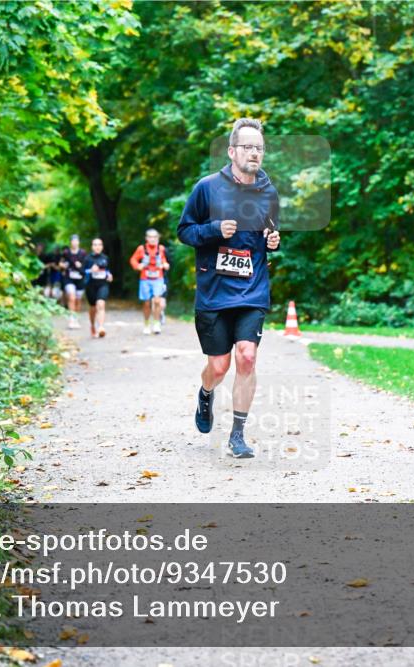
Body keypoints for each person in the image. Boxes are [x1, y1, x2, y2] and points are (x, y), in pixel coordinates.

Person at [177, 118, 281, 459]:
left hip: (252, 289)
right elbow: (185, 232)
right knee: (219, 366)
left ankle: (238, 434)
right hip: (214, 291)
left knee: (247, 357)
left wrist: (273, 241)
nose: (254, 153)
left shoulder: (268, 192)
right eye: (248, 147)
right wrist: (213, 230)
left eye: (259, 148)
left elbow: (268, 235)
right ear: (232, 151)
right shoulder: (207, 188)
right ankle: (206, 392)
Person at [129, 228, 170, 335]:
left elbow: (164, 260)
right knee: (146, 303)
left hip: (158, 278)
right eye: (150, 237)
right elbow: (133, 259)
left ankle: (156, 323)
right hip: (145, 279)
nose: (152, 239)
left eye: (155, 237)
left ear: (158, 238)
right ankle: (146, 324)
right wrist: (138, 266)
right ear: (146, 238)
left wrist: (165, 265)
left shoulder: (161, 249)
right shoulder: (141, 249)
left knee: (157, 301)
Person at [83, 237, 113, 338]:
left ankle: (101, 327)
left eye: (99, 245)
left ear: (102, 246)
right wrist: (90, 270)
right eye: (95, 245)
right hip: (90, 285)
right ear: (92, 247)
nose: (97, 247)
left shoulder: (105, 258)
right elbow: (82, 272)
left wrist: (109, 275)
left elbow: (107, 270)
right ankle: (92, 325)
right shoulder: (87, 259)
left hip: (102, 285)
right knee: (93, 307)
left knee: (101, 304)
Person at [63, 234, 87, 329]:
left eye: (76, 241)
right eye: (73, 241)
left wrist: (80, 266)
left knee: (78, 300)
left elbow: (86, 265)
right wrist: (63, 265)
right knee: (71, 297)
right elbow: (61, 262)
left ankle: (76, 318)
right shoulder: (66, 252)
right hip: (69, 278)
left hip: (80, 278)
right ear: (70, 242)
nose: (75, 243)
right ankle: (71, 319)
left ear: (79, 242)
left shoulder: (83, 253)